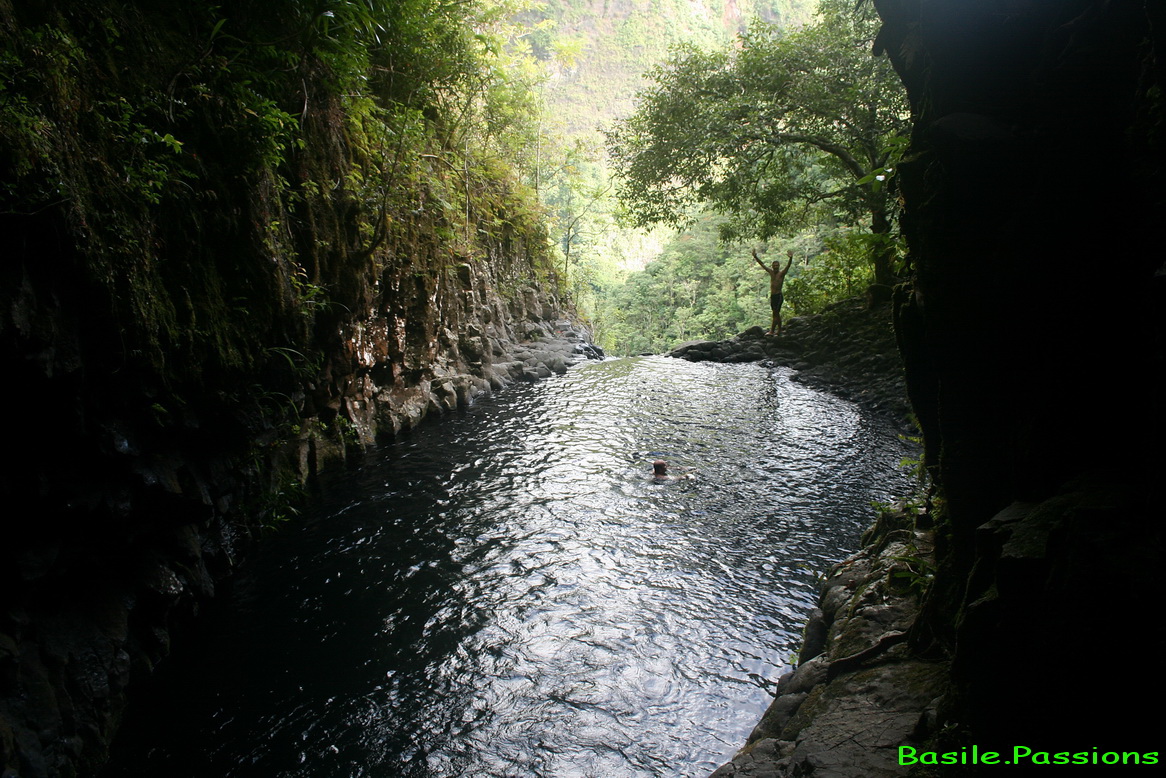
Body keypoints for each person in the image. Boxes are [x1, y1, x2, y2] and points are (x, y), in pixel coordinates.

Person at [753, 248, 794, 336]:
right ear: (772, 266)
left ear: (779, 266)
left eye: (777, 265)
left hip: (778, 296)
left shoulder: (781, 274)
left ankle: (772, 331)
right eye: (774, 265)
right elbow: (762, 265)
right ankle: (778, 330)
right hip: (773, 296)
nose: (775, 267)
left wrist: (790, 258)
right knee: (775, 314)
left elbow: (788, 266)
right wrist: (755, 257)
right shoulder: (771, 273)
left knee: (776, 313)